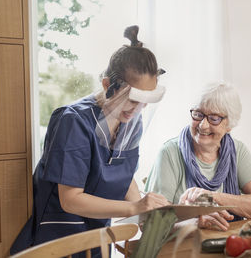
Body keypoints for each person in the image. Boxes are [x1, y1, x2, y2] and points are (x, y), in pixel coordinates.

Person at [10, 26, 169, 256]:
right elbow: (71, 200)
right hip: (58, 239)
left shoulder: (131, 121)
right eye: (133, 100)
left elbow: (121, 174)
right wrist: (134, 207)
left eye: (145, 101)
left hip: (97, 238)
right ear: (107, 86)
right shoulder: (73, 122)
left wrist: (148, 212)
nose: (138, 109)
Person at [145, 82, 251, 231]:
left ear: (229, 125)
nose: (203, 125)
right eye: (198, 115)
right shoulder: (170, 152)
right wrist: (195, 223)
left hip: (226, 244)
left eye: (214, 118)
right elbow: (150, 223)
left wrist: (213, 197)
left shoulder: (237, 150)